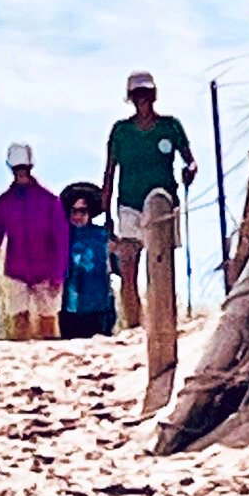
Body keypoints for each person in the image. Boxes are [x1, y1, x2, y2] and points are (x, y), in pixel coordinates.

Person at [101, 71, 197, 328]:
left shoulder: (170, 126)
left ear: (154, 95)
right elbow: (110, 171)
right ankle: (134, 323)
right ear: (131, 98)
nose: (142, 99)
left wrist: (190, 170)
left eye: (146, 93)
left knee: (161, 266)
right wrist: (106, 212)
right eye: (137, 94)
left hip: (163, 204)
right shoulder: (121, 131)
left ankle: (162, 319)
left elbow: (190, 159)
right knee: (128, 266)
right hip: (130, 204)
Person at [0, 142, 69, 341]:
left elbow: (61, 240)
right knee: (19, 319)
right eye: (17, 170)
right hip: (17, 269)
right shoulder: (3, 202)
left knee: (48, 321)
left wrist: (58, 274)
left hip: (46, 270)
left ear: (30, 168)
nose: (21, 173)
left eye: (24, 169)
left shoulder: (49, 200)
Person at [58, 182, 115, 340]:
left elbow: (115, 265)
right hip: (70, 307)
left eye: (82, 211)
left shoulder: (102, 235)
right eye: (73, 211)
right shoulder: (62, 236)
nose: (77, 216)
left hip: (100, 306)